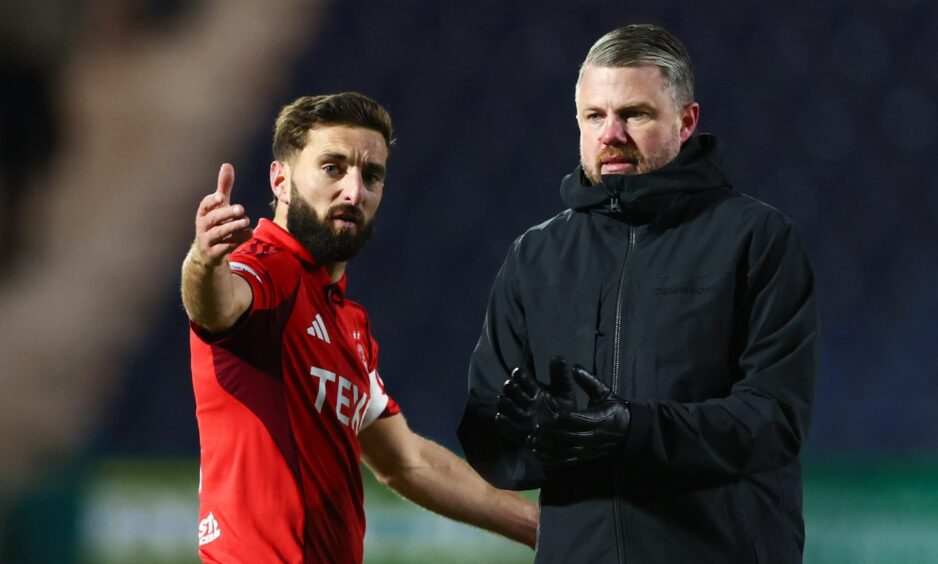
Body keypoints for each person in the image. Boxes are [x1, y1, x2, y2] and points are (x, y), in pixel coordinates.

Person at [458, 24, 818, 563]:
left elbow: (773, 418)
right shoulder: (535, 256)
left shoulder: (757, 239)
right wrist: (540, 437)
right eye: (594, 116)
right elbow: (487, 424)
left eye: (635, 114)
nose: (611, 134)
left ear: (686, 121)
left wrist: (633, 429)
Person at [181, 92, 537, 563]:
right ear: (281, 179)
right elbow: (214, 307)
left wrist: (540, 528)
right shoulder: (267, 271)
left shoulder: (348, 322)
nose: (354, 191)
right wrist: (204, 261)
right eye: (333, 168)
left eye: (371, 175)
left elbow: (406, 461)